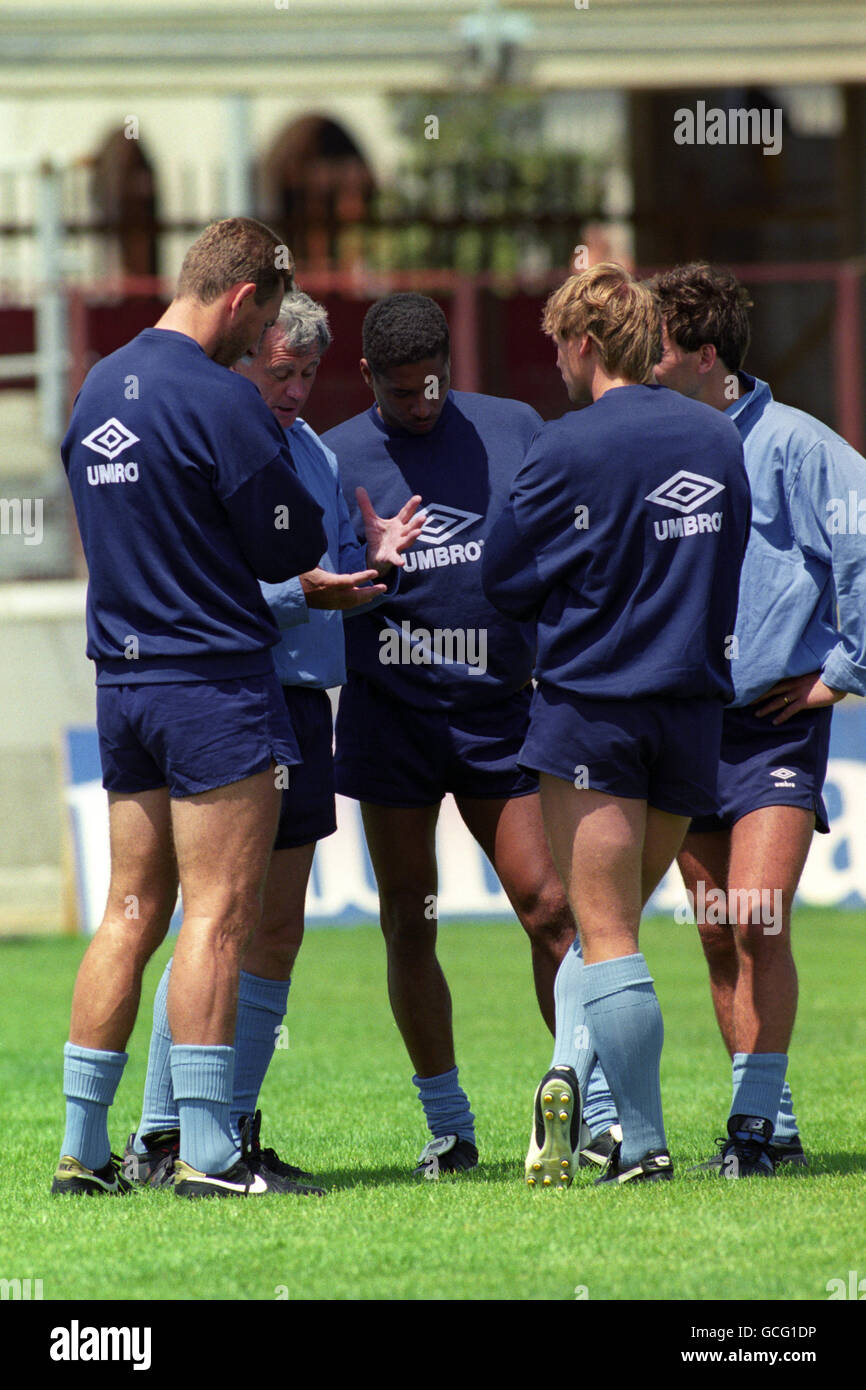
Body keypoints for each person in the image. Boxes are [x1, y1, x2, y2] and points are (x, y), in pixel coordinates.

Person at [123, 291, 424, 1189]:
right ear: (243, 356)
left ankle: (220, 1129)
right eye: (277, 369)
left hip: (300, 704)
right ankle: (165, 1135)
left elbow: (327, 568)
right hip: (229, 695)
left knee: (272, 930)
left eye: (305, 374)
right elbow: (203, 592)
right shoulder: (211, 442)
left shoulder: (318, 454)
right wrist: (303, 594)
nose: (293, 389)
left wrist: (374, 559)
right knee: (218, 920)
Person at [53, 219, 328, 1199]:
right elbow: (283, 543)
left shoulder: (93, 388)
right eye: (261, 332)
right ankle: (210, 1154)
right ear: (245, 298)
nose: (263, 354)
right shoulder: (221, 399)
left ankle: (83, 1153)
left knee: (129, 912)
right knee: (219, 914)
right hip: (211, 684)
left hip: (121, 687)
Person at [482, 262, 751, 1187]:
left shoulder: (562, 447)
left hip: (592, 711)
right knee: (620, 927)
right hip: (693, 711)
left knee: (604, 933)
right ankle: (570, 1070)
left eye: (559, 342)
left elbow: (504, 578)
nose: (553, 361)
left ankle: (639, 1144)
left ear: (586, 345)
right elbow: (729, 562)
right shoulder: (717, 438)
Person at [322, 292, 580, 1179]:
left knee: (550, 907)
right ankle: (449, 1126)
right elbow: (305, 582)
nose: (421, 403)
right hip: (389, 716)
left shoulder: (515, 429)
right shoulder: (335, 458)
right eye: (401, 393)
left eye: (432, 385)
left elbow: (568, 546)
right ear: (368, 379)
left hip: (499, 711)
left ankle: (589, 1106)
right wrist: (366, 571)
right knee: (408, 919)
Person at [651, 261, 866, 1175]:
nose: (643, 367)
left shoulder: (804, 447)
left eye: (656, 353)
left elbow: (861, 553)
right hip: (687, 719)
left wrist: (842, 675)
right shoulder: (655, 441)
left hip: (776, 723)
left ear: (707, 358)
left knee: (758, 918)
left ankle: (753, 1128)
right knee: (711, 929)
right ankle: (765, 1128)